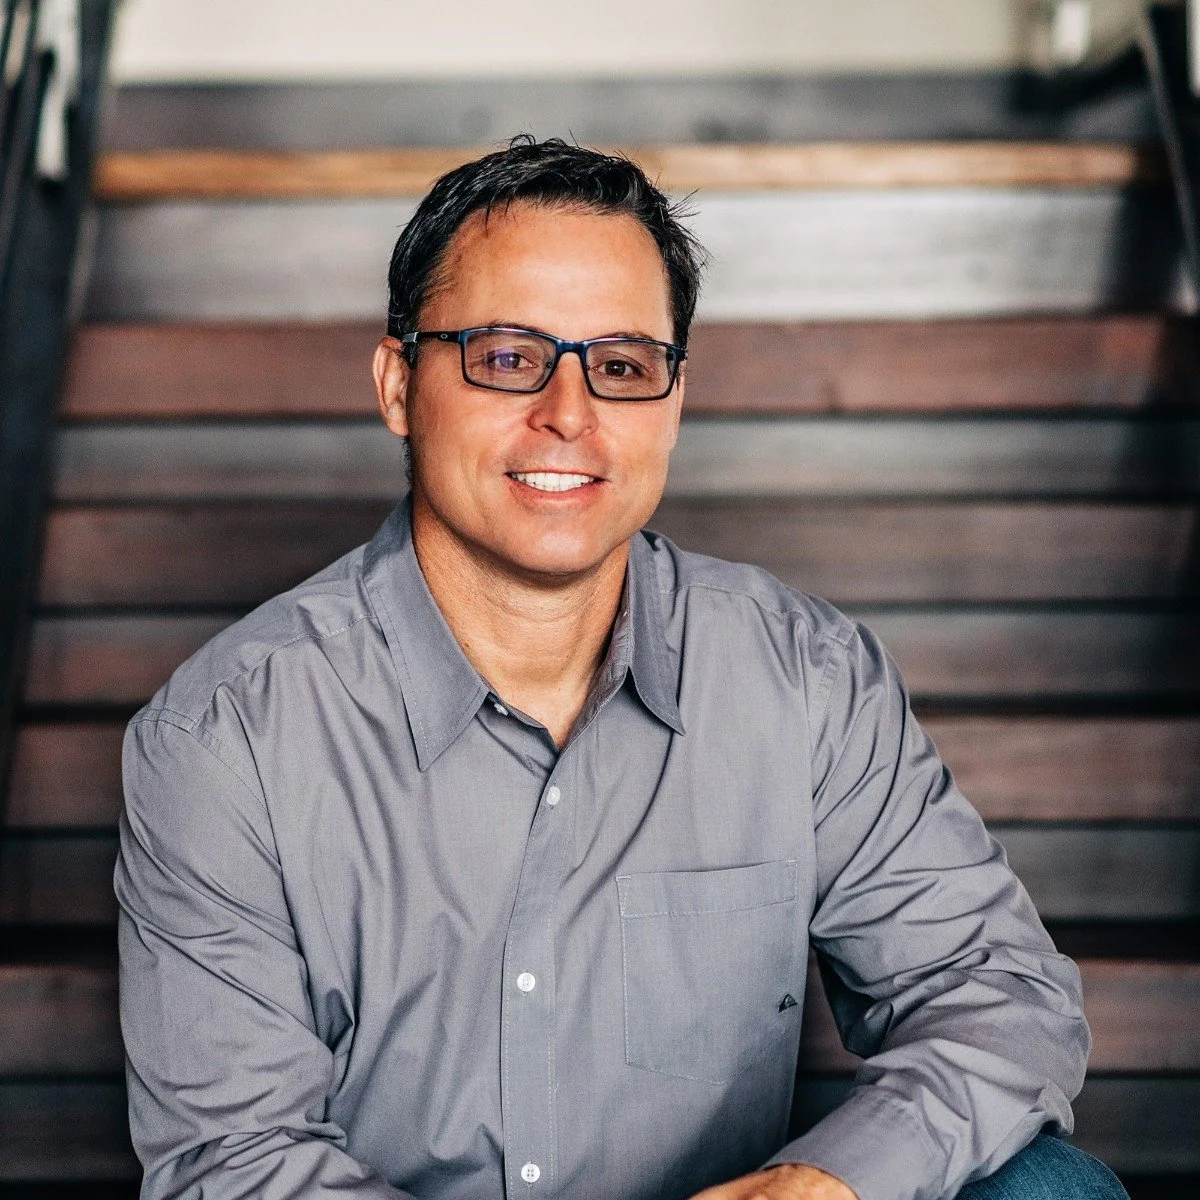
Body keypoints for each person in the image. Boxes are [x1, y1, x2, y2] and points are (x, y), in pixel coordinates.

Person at [115, 136, 1129, 1200]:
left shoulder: (803, 681)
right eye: (508, 356)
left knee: (1047, 1188)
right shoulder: (226, 740)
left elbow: (996, 996)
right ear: (399, 385)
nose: (570, 413)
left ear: (674, 403)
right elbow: (235, 1162)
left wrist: (825, 1183)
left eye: (623, 366)